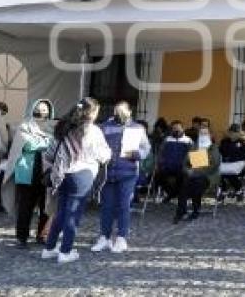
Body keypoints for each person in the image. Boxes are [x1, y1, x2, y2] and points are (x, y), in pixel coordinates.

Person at [41, 98, 111, 264]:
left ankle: (49, 248)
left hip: (62, 174)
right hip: (83, 175)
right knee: (73, 216)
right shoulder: (93, 131)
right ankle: (65, 251)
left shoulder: (63, 128)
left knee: (61, 213)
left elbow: (50, 152)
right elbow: (104, 155)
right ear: (92, 113)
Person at [92, 101, 150, 254]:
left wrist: (137, 154)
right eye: (117, 111)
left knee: (124, 206)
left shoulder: (137, 128)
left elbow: (146, 148)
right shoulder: (105, 126)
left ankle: (121, 238)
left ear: (130, 112)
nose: (119, 114)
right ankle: (104, 237)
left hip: (128, 173)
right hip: (108, 172)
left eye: (123, 111)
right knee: (106, 207)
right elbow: (96, 145)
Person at [2, 98, 56, 249]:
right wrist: (46, 142)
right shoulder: (25, 126)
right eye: (39, 108)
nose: (42, 111)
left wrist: (43, 142)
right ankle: (22, 237)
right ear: (33, 108)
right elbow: (27, 145)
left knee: (47, 205)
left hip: (47, 172)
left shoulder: (54, 127)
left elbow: (55, 144)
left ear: (50, 111)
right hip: (27, 172)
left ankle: (43, 235)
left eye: (45, 109)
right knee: (25, 207)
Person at [174, 125, 220, 223]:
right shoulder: (194, 146)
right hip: (192, 175)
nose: (203, 135)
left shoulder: (213, 148)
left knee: (196, 182)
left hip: (208, 176)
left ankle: (193, 210)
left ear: (210, 135)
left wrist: (196, 170)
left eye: (205, 133)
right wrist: (188, 170)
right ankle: (182, 211)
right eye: (201, 133)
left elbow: (214, 165)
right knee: (185, 181)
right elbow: (185, 162)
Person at [156, 121, 191, 202]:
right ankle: (172, 193)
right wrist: (159, 163)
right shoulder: (167, 139)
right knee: (157, 177)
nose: (176, 130)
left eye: (178, 128)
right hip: (167, 166)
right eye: (174, 128)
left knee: (182, 177)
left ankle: (173, 195)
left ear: (183, 129)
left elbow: (192, 154)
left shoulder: (188, 140)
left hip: (182, 167)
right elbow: (161, 152)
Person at [218, 123, 245, 200]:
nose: (233, 134)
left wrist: (232, 158)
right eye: (231, 132)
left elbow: (244, 155)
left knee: (231, 173)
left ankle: (238, 189)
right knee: (220, 172)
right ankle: (224, 190)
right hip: (226, 163)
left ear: (239, 133)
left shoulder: (243, 142)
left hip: (239, 164)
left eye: (235, 132)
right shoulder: (225, 141)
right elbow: (221, 152)